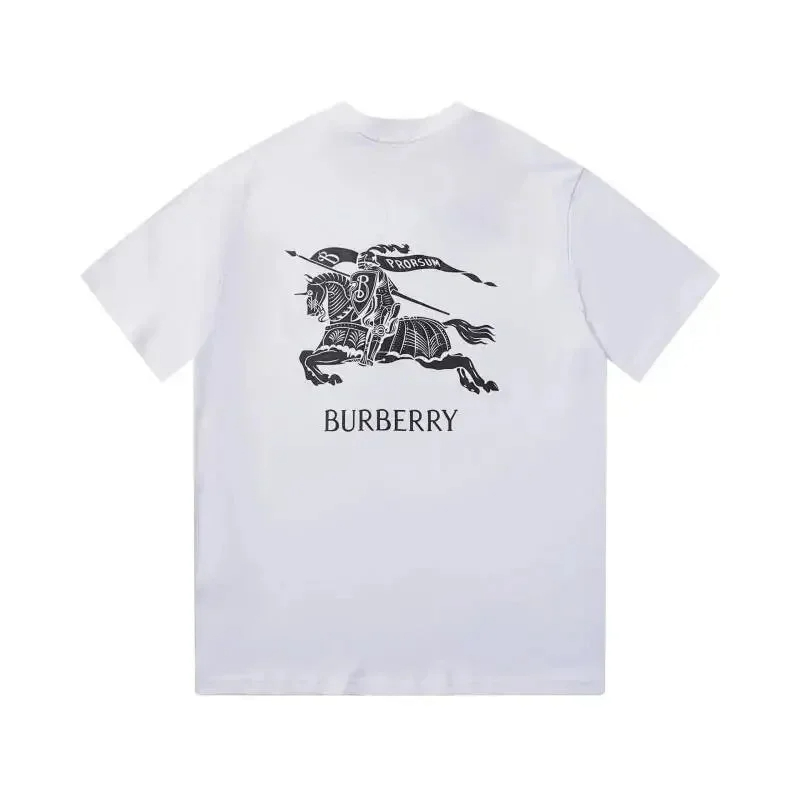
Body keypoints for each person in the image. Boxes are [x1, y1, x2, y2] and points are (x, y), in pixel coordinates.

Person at [349, 249, 401, 366]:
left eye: (362, 263)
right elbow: (392, 288)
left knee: (378, 330)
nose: (361, 266)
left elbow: (371, 286)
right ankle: (365, 355)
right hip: (376, 304)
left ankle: (369, 358)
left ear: (368, 262)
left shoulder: (376, 272)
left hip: (385, 305)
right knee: (371, 330)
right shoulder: (370, 273)